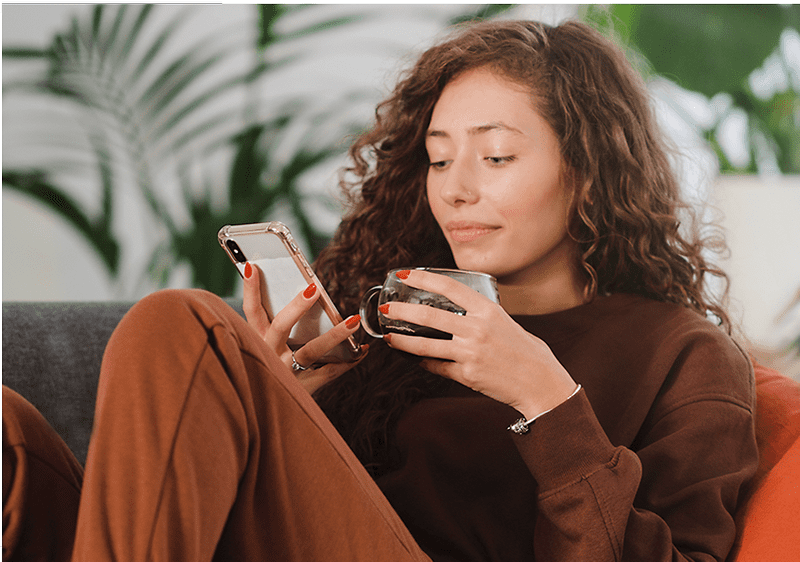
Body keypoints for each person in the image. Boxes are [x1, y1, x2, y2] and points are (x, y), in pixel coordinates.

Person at [2, 19, 758, 562]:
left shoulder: (684, 355)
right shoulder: (391, 320)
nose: (455, 189)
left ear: (589, 171)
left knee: (184, 321)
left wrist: (548, 402)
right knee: (12, 431)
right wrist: (275, 403)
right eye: (438, 159)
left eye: (496, 156)